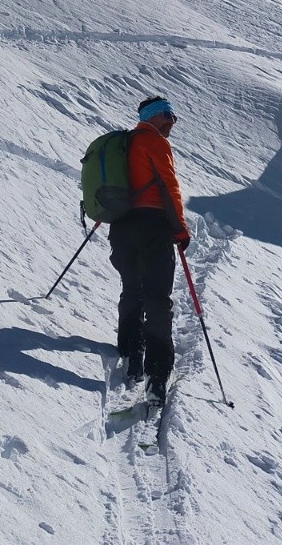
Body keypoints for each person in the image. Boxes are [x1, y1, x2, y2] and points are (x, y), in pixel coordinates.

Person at [109, 96, 191, 405]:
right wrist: (180, 229)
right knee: (157, 298)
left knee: (132, 289)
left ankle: (131, 354)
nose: (172, 120)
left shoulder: (123, 144)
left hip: (121, 227)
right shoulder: (154, 142)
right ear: (152, 117)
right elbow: (168, 185)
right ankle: (157, 375)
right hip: (152, 226)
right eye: (167, 114)